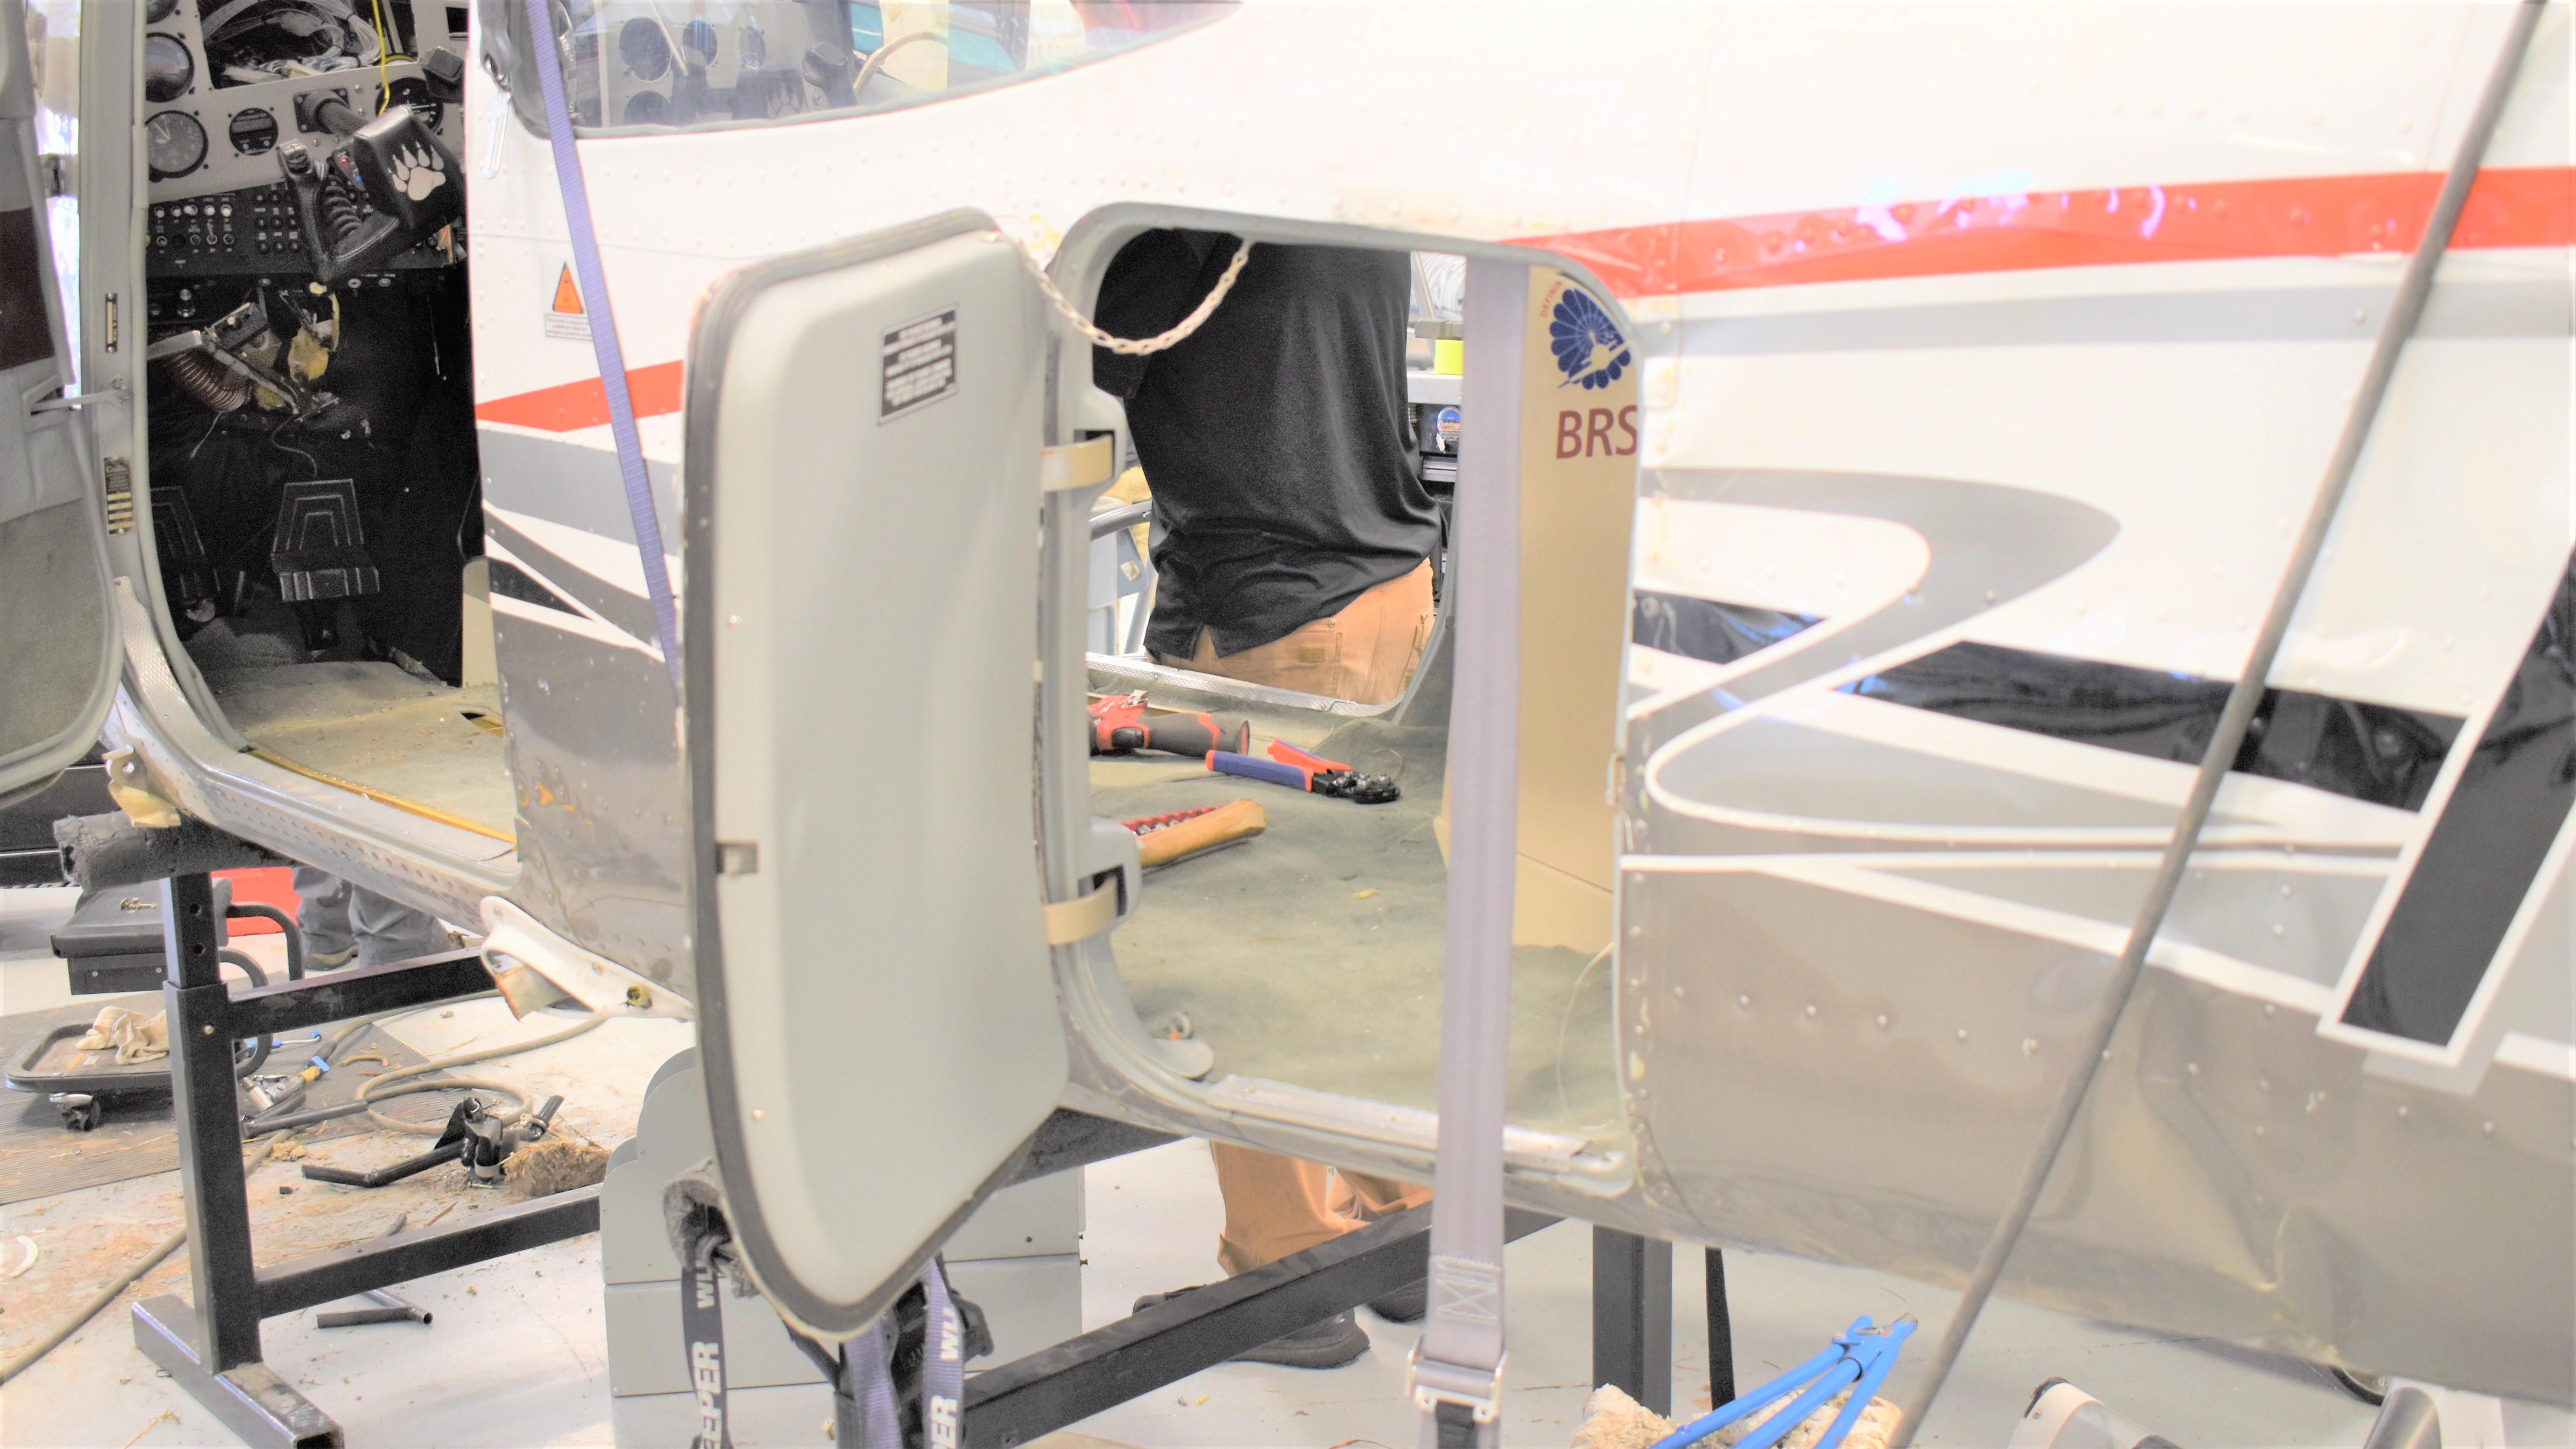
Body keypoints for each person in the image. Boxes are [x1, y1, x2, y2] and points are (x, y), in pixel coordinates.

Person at [1091, 232, 1439, 1368]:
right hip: (1385, 593)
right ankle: (1399, 1225)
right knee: (1363, 931)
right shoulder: (1338, 198)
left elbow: (1069, 380)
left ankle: (1287, 1271)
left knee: (1246, 945)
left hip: (1276, 617)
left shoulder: (1176, 219)